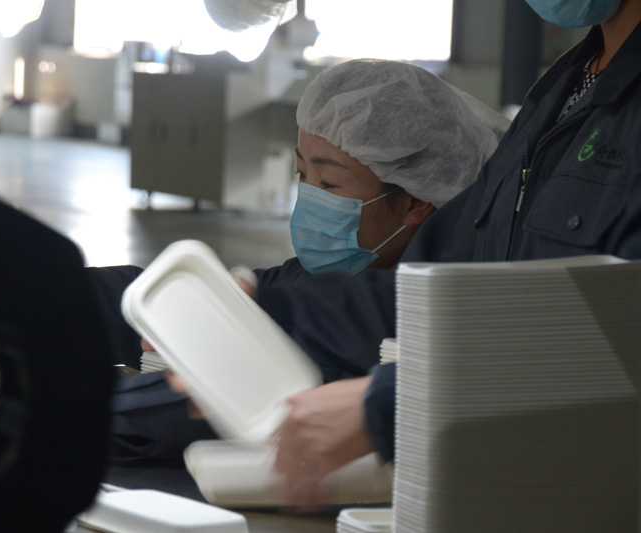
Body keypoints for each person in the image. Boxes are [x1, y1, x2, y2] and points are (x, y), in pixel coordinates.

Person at [254, 0, 641, 506]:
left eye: (329, 181)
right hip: (517, 481)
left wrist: (394, 400)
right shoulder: (565, 86)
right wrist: (267, 307)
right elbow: (443, 289)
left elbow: (615, 339)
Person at [105, 59, 510, 463]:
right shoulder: (317, 279)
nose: (311, 198)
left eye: (329, 184)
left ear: (414, 202)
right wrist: (78, 295)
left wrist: (83, 409)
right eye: (302, 174)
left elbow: (191, 409)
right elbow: (221, 297)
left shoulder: (400, 328)